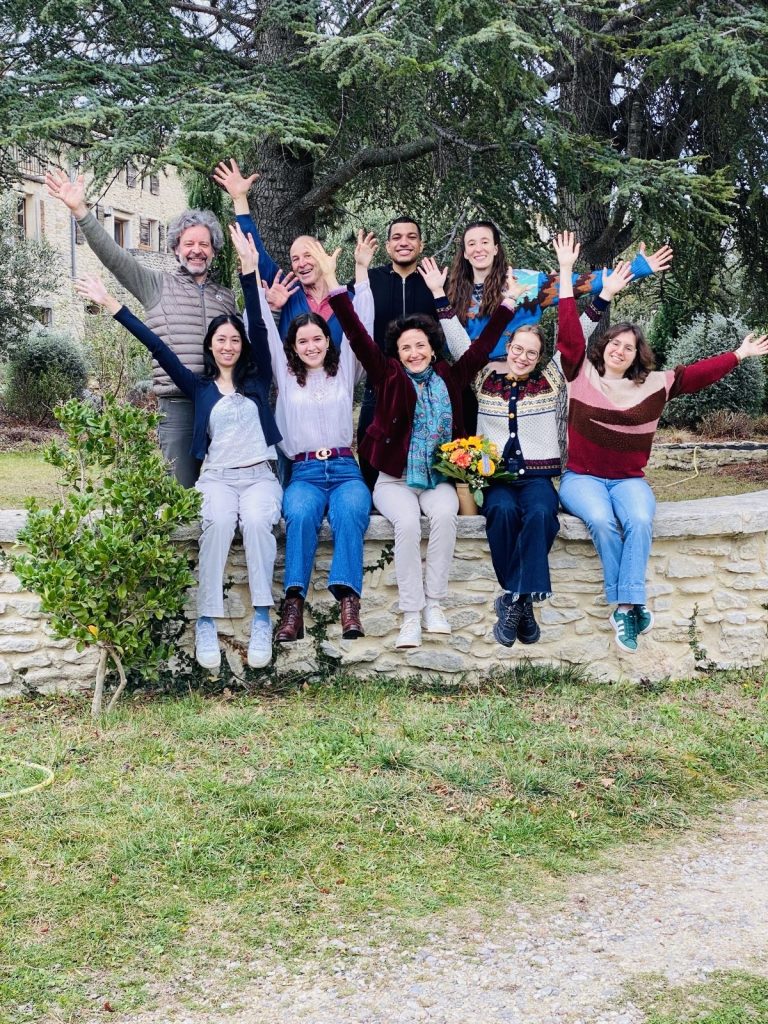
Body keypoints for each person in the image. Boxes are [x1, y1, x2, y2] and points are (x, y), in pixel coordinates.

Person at [74, 228, 283, 672]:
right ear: (210, 346)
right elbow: (156, 345)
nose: (227, 345)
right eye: (219, 340)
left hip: (260, 476)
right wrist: (113, 306)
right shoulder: (198, 387)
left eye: (234, 340)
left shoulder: (258, 380)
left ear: (241, 346)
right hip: (219, 479)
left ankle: (263, 617)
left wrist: (249, 274)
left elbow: (262, 326)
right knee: (217, 523)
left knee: (262, 523)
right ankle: (206, 620)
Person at [554, 230, 768, 653]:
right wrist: (564, 271)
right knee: (600, 522)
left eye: (628, 347)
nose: (619, 350)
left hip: (629, 479)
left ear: (638, 355)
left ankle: (623, 607)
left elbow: (696, 375)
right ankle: (631, 604)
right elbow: (567, 331)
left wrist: (738, 355)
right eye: (614, 343)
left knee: (639, 521)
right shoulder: (579, 373)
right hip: (582, 478)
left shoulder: (654, 385)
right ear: (603, 347)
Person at [307, 240, 525, 649]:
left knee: (444, 517)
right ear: (398, 352)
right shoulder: (387, 374)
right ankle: (410, 614)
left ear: (431, 347)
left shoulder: (450, 378)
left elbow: (480, 348)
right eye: (406, 347)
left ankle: (434, 606)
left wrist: (509, 303)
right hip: (392, 480)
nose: (413, 352)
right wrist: (336, 284)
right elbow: (354, 333)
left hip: (438, 480)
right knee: (406, 524)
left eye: (419, 345)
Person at [419, 256, 634, 646]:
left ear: (539, 358)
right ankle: (523, 602)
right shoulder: (484, 378)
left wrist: (603, 295)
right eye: (518, 349)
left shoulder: (551, 379)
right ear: (509, 347)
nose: (522, 357)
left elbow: (575, 337)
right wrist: (438, 293)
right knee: (499, 512)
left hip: (537, 476)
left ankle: (513, 598)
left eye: (531, 353)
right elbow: (459, 341)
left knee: (540, 514)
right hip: (497, 477)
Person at [227, 227, 376, 643]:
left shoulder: (346, 368)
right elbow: (259, 324)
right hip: (305, 472)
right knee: (300, 514)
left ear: (329, 343)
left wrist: (358, 272)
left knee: (351, 511)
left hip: (346, 469)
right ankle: (293, 606)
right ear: (293, 345)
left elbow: (360, 324)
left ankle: (349, 602)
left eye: (317, 339)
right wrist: (249, 269)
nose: (311, 345)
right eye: (303, 340)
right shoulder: (286, 375)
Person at [46, 169, 236, 488]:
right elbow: (116, 258)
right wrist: (81, 211)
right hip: (177, 407)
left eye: (204, 244)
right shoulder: (155, 285)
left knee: (228, 490)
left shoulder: (226, 297)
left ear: (214, 251)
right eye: (188, 243)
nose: (197, 250)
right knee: (181, 495)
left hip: (222, 404)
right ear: (176, 248)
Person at [213, 159, 376, 347]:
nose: (302, 263)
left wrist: (362, 267)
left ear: (323, 256)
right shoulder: (288, 292)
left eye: (308, 255)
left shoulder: (348, 300)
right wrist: (240, 199)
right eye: (295, 259)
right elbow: (253, 248)